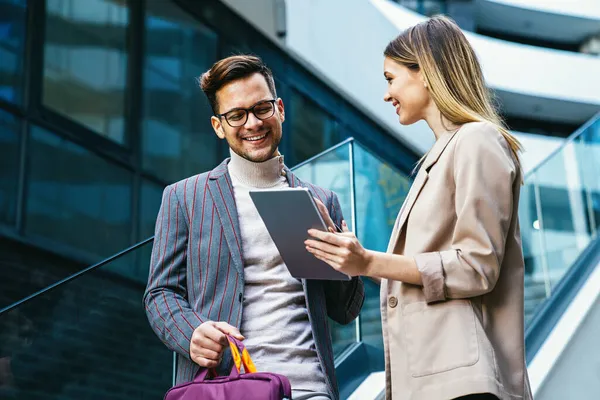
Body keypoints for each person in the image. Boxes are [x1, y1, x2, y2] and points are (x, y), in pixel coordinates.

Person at [304, 16, 532, 400]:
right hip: (434, 378)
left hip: (463, 381)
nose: (386, 94)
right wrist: (355, 257)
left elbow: (477, 266)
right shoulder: (437, 157)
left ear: (424, 72)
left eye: (390, 78)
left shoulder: (476, 140)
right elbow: (428, 273)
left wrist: (369, 262)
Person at [143, 54, 364, 400]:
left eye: (262, 109)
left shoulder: (321, 199)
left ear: (280, 109)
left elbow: (344, 311)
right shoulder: (184, 197)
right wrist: (192, 333)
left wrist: (348, 262)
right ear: (218, 125)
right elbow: (160, 294)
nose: (252, 123)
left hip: (309, 388)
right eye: (236, 115)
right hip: (224, 388)